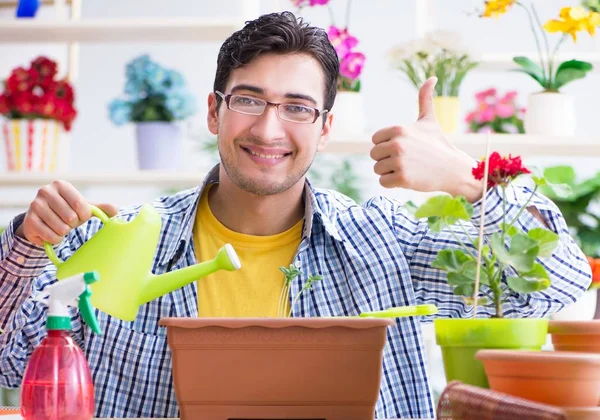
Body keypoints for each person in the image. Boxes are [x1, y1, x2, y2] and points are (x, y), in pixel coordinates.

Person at [0, 11, 592, 419]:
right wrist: (29, 242)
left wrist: (469, 179)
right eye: (249, 100)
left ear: (326, 127)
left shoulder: (385, 243)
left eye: (297, 108)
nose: (268, 128)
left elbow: (558, 283)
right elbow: (10, 353)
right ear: (214, 111)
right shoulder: (131, 241)